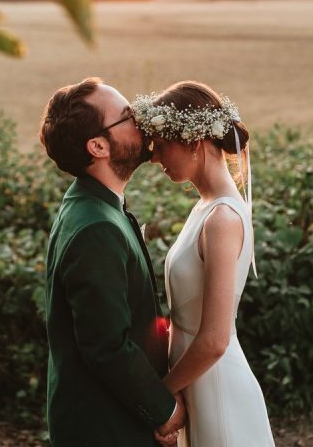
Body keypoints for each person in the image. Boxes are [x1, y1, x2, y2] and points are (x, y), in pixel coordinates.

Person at [39, 77, 186, 447]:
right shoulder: (95, 229)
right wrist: (165, 410)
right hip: (105, 430)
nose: (143, 121)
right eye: (128, 117)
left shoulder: (94, 206)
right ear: (98, 146)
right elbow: (107, 346)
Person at [132, 81, 276, 447]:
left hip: (217, 389)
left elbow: (214, 339)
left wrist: (162, 397)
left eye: (161, 146)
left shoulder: (223, 219)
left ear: (194, 143)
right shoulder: (205, 209)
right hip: (196, 383)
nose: (154, 158)